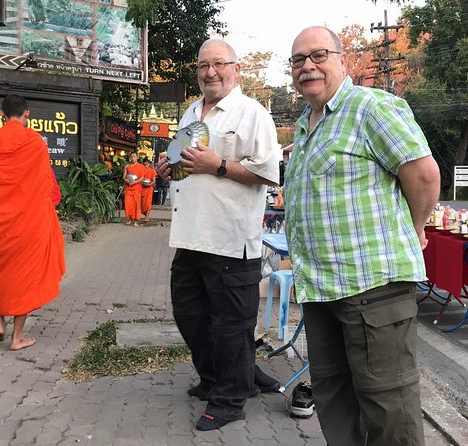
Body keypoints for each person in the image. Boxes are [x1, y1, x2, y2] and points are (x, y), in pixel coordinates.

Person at [284, 27, 441, 445]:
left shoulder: (371, 107)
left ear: (343, 59)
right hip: (321, 289)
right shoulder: (305, 124)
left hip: (373, 287)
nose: (307, 66)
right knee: (335, 398)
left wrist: (415, 227)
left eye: (318, 55)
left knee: (388, 406)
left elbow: (423, 176)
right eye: (298, 60)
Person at [156, 39, 281, 431]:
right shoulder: (192, 111)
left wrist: (219, 165)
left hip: (230, 237)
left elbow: (269, 173)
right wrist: (167, 166)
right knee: (191, 315)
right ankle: (221, 376)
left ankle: (230, 398)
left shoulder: (252, 113)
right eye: (203, 65)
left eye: (218, 64)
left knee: (231, 324)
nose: (210, 72)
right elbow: (180, 162)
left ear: (236, 68)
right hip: (189, 233)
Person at [0, 94, 66, 351]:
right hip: (27, 220)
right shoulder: (36, 143)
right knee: (25, 275)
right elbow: (45, 183)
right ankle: (17, 338)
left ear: (0, 114)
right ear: (27, 113)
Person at [123, 152, 145, 227]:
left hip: (136, 188)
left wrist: (135, 182)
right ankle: (129, 219)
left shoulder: (141, 166)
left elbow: (142, 178)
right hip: (128, 188)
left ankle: (136, 221)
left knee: (136, 204)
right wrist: (126, 180)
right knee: (128, 204)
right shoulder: (127, 166)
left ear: (137, 157)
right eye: (132, 157)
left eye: (134, 156)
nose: (133, 158)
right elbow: (124, 177)